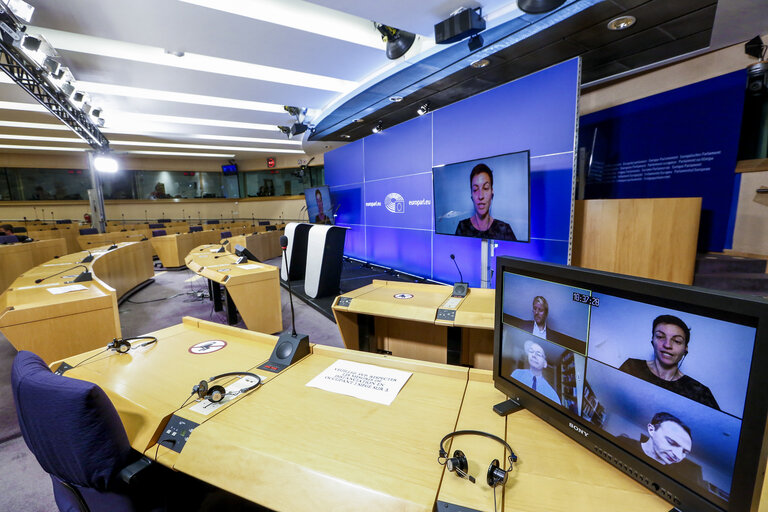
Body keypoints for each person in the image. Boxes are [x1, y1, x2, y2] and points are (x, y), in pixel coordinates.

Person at [619, 315, 719, 410]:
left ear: (685, 349)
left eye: (677, 341)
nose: (667, 345)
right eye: (660, 336)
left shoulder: (700, 392)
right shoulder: (631, 366)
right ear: (652, 341)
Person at [455, 163, 516, 240]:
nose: (480, 196)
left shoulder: (504, 230)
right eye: (475, 189)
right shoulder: (462, 227)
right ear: (471, 195)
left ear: (492, 192)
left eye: (486, 188)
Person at [508, 296, 581, 350]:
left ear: (546, 313)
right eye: (535, 309)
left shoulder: (554, 339)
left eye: (540, 310)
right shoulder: (523, 326)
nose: (536, 312)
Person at [511, 340, 561, 404]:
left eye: (538, 354)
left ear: (545, 364)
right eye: (531, 351)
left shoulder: (552, 394)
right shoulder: (517, 374)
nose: (533, 355)